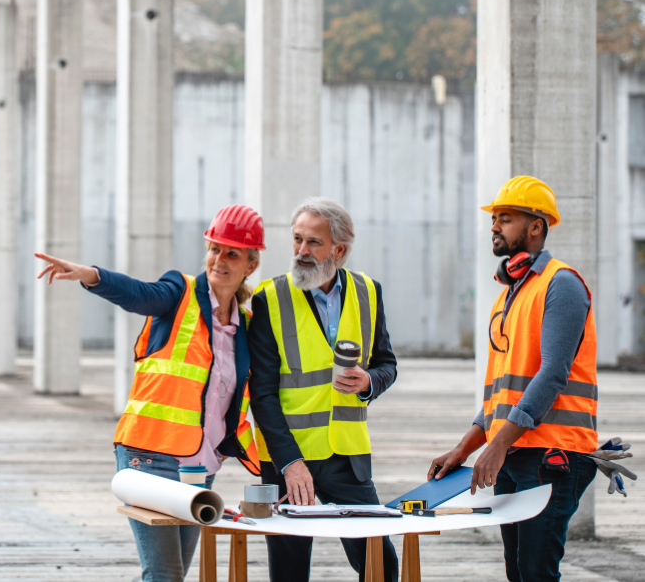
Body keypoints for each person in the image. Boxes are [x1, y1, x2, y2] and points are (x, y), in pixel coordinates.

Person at [35, 204, 264, 582]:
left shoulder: (247, 327)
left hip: (199, 468)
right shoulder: (179, 294)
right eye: (213, 248)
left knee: (176, 573)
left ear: (250, 265)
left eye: (231, 253)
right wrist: (93, 276)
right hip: (147, 456)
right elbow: (139, 294)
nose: (218, 259)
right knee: (164, 574)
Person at [428, 175, 599, 582]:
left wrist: (497, 446)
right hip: (516, 454)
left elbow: (554, 374)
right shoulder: (511, 294)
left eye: (504, 218)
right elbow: (501, 393)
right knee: (518, 573)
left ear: (535, 226)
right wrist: (466, 447)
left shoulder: (562, 285)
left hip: (550, 456)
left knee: (535, 574)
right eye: (494, 218)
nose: (494, 226)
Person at [248, 197, 399, 582]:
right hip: (287, 460)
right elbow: (261, 395)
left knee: (381, 564)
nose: (301, 251)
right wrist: (289, 463)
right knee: (289, 572)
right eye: (297, 239)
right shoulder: (269, 299)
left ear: (339, 250)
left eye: (313, 242)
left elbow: (387, 365)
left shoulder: (369, 292)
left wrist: (369, 382)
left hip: (346, 456)